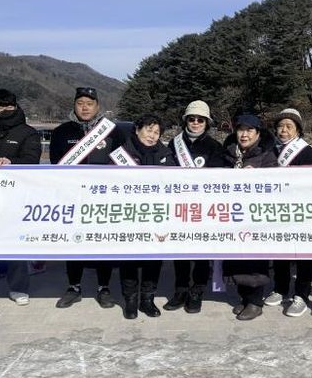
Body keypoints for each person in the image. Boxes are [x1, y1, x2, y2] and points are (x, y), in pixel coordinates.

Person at [50, 87, 121, 310]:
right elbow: (54, 165)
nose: (85, 107)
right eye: (80, 103)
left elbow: (122, 162)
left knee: (103, 242)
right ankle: (74, 287)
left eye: (89, 103)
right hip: (73, 198)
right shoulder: (61, 132)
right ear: (74, 105)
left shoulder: (113, 131)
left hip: (104, 198)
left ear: (97, 106)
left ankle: (104, 287)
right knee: (74, 242)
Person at [0, 89, 42, 306]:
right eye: (0, 106)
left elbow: (32, 160)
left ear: (16, 106)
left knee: (16, 242)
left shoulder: (27, 132)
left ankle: (18, 288)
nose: (5, 110)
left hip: (17, 196)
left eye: (9, 106)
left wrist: (13, 163)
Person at [111, 114, 175, 319]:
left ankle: (147, 299)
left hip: (156, 216)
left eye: (156, 132)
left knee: (153, 260)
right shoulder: (121, 154)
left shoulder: (165, 154)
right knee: (129, 259)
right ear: (137, 130)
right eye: (149, 129)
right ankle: (130, 301)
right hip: (129, 216)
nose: (152, 135)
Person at [164, 100, 223, 314]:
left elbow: (220, 179)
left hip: (203, 209)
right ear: (186, 121)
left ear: (207, 122)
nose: (196, 123)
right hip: (179, 206)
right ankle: (180, 290)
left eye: (200, 119)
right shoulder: (174, 144)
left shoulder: (214, 147)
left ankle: (197, 291)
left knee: (200, 253)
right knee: (179, 251)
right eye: (192, 119)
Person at [262, 108, 312, 317]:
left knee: (303, 254)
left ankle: (301, 295)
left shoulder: (307, 152)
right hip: (278, 210)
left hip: (301, 210)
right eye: (280, 126)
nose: (283, 130)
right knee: (280, 251)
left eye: (289, 126)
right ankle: (281, 288)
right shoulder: (271, 150)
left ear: (298, 130)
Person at [223, 114, 278, 320]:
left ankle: (255, 302)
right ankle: (244, 297)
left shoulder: (267, 155)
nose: (244, 134)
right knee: (236, 257)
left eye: (249, 130)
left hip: (256, 217)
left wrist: (257, 177)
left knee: (254, 259)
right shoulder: (229, 153)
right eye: (241, 130)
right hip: (233, 214)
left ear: (257, 133)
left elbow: (276, 184)